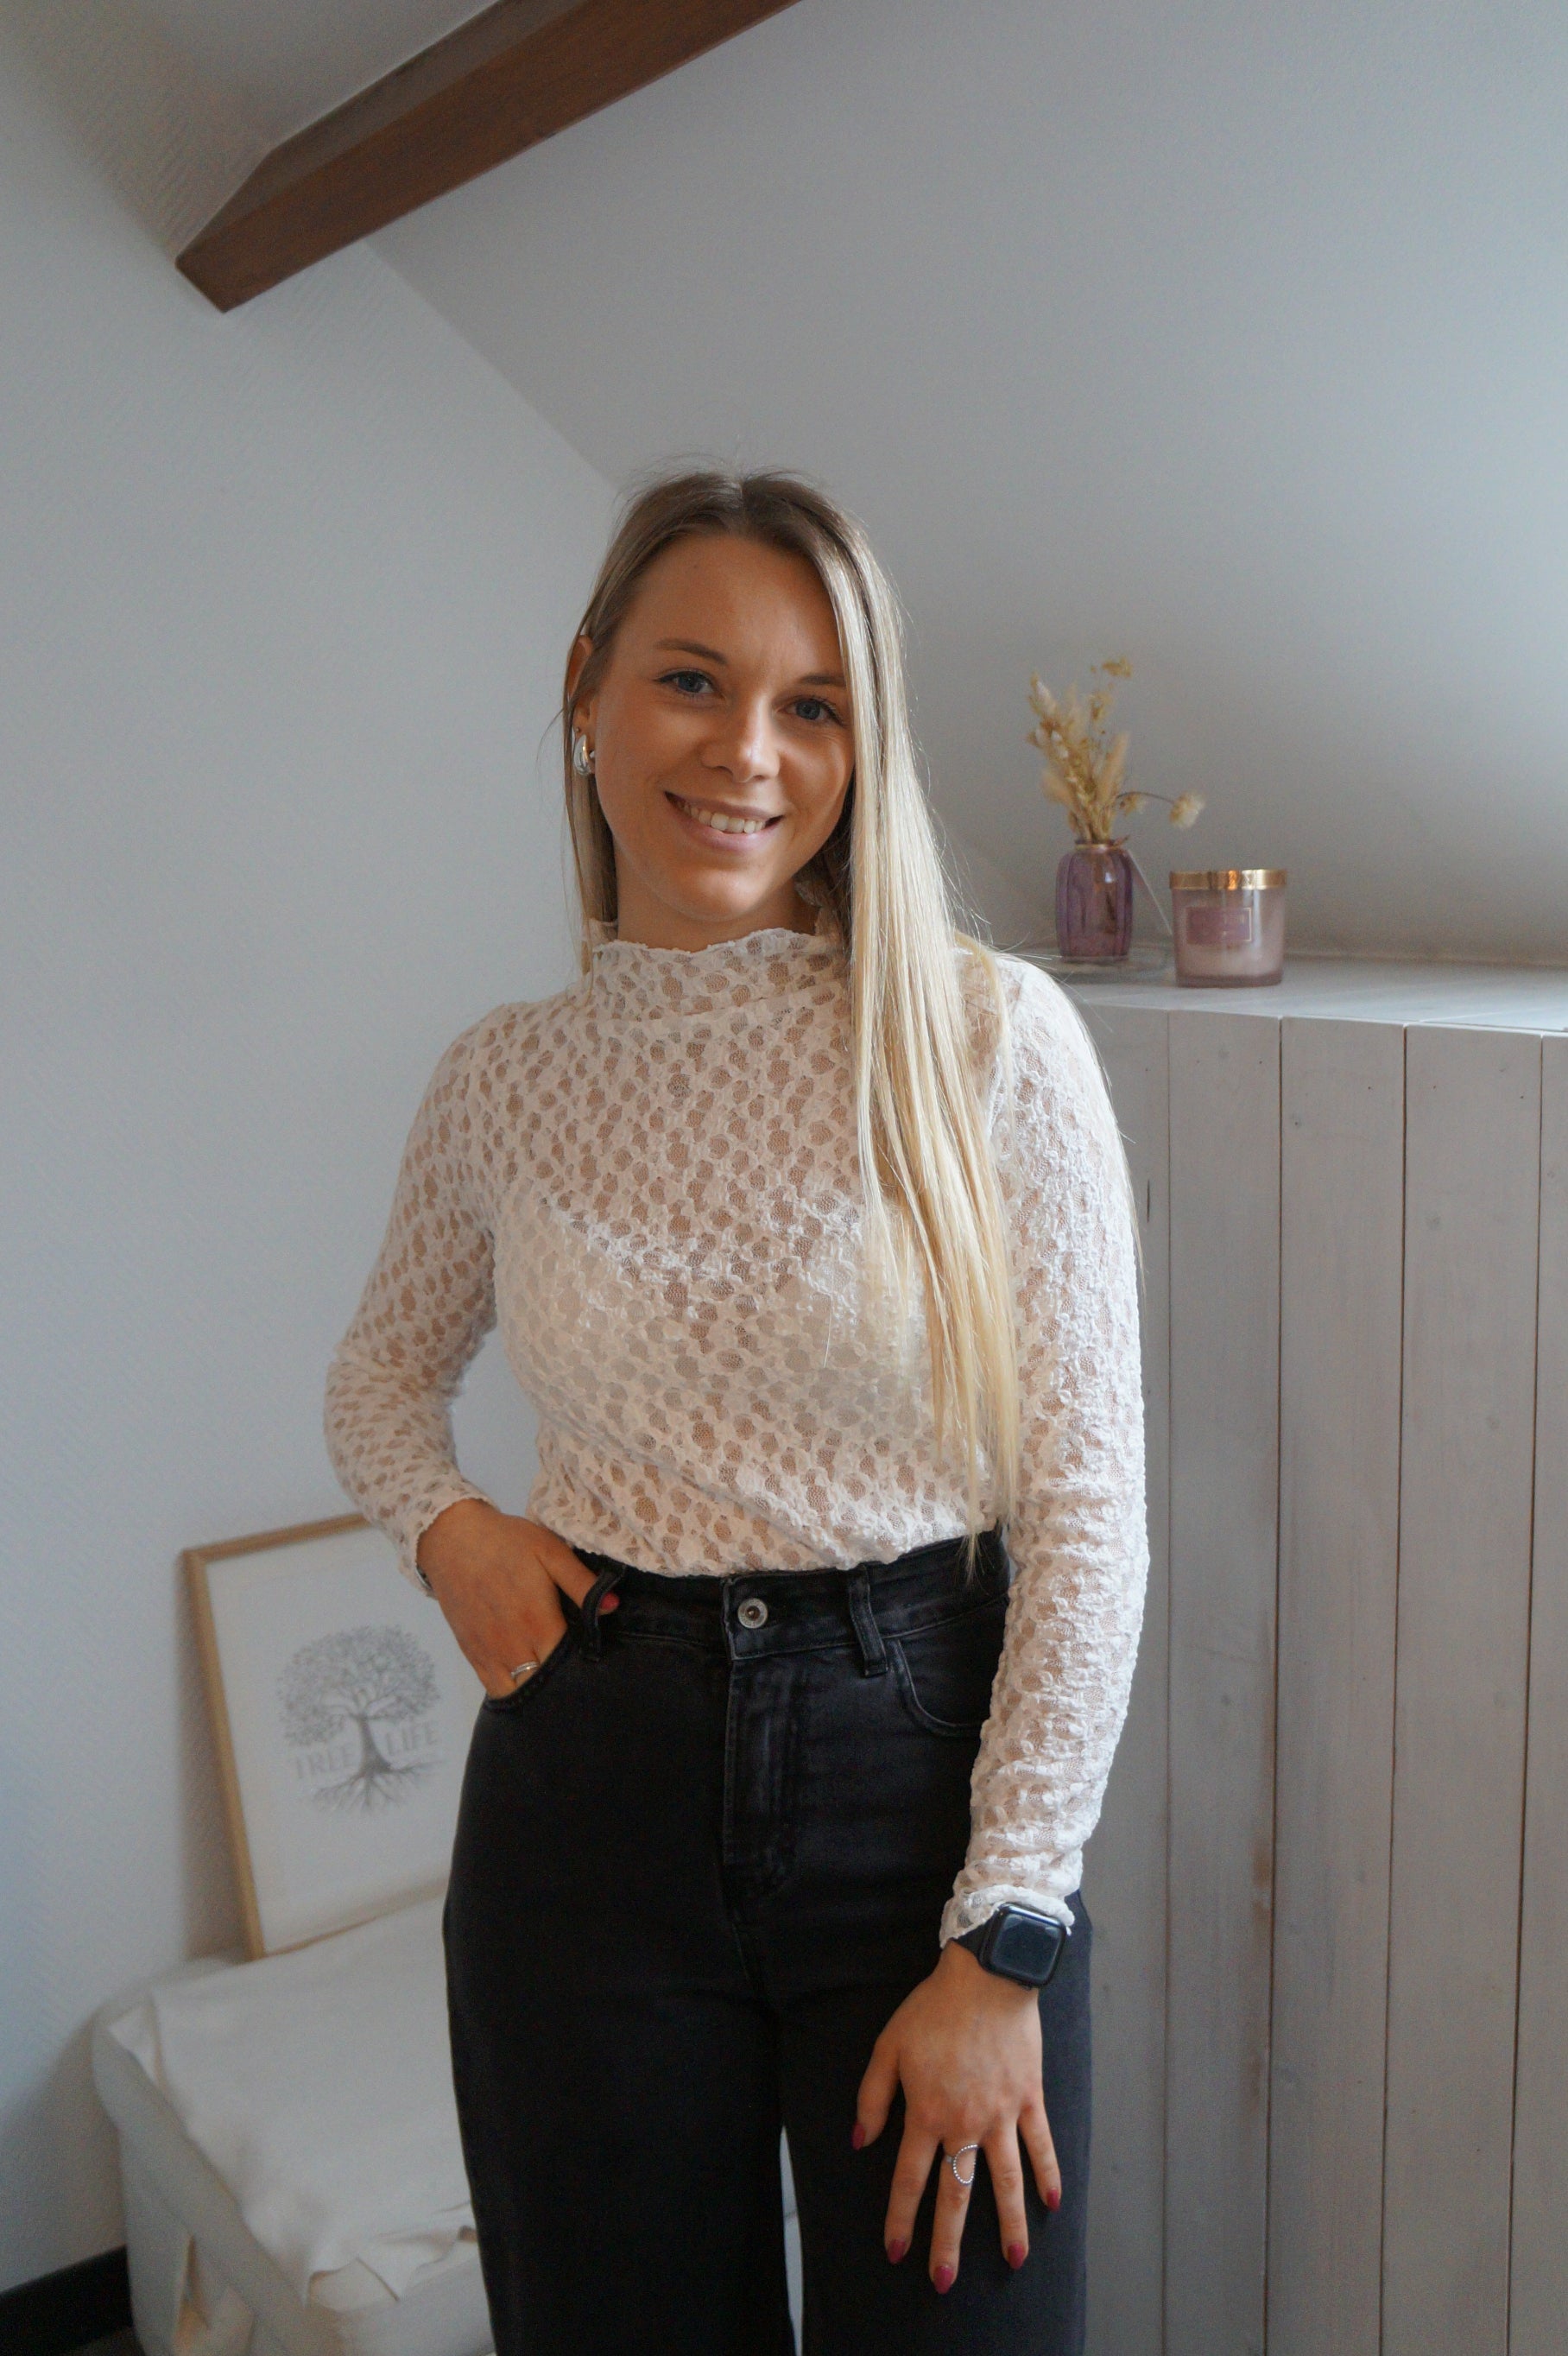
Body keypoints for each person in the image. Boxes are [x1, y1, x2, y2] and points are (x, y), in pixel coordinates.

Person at [323, 469, 1148, 2356]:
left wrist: (1006, 1933)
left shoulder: (989, 1037)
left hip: (919, 1791)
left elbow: (1088, 1512)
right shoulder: (503, 1082)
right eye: (692, 679)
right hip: (585, 1803)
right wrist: (451, 1532)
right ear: (585, 689)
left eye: (813, 704)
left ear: (863, 745)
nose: (749, 753)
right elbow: (378, 1374)